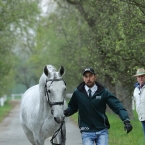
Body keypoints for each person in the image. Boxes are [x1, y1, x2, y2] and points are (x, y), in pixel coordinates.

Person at [64, 67, 132, 145]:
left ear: (95, 76)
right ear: (83, 78)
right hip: (86, 131)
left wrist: (126, 120)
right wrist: (66, 112)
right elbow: (73, 107)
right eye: (86, 76)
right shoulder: (78, 92)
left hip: (102, 130)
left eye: (90, 76)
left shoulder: (103, 92)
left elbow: (117, 106)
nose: (88, 78)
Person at [133, 68, 145, 138]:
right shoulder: (136, 90)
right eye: (139, 76)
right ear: (137, 78)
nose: (141, 78)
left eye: (142, 76)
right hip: (142, 118)